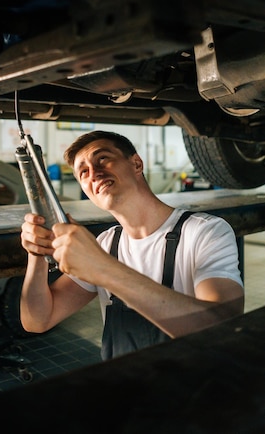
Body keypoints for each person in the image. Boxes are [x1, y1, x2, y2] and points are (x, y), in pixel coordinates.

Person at [19, 130, 244, 359]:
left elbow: (222, 327)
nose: (94, 174)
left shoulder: (205, 231)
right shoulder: (107, 244)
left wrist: (103, 269)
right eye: (83, 172)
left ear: (136, 163)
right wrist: (37, 252)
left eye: (103, 159)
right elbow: (37, 320)